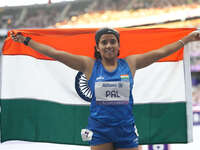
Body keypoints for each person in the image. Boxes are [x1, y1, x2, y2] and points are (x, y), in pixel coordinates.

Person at [11, 28, 200, 150]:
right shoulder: (89, 65)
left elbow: (160, 52)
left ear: (118, 46)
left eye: (112, 41)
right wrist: (27, 41)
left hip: (126, 129)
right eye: (104, 42)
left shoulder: (131, 63)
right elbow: (56, 54)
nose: (109, 45)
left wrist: (187, 39)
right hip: (100, 130)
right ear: (98, 47)